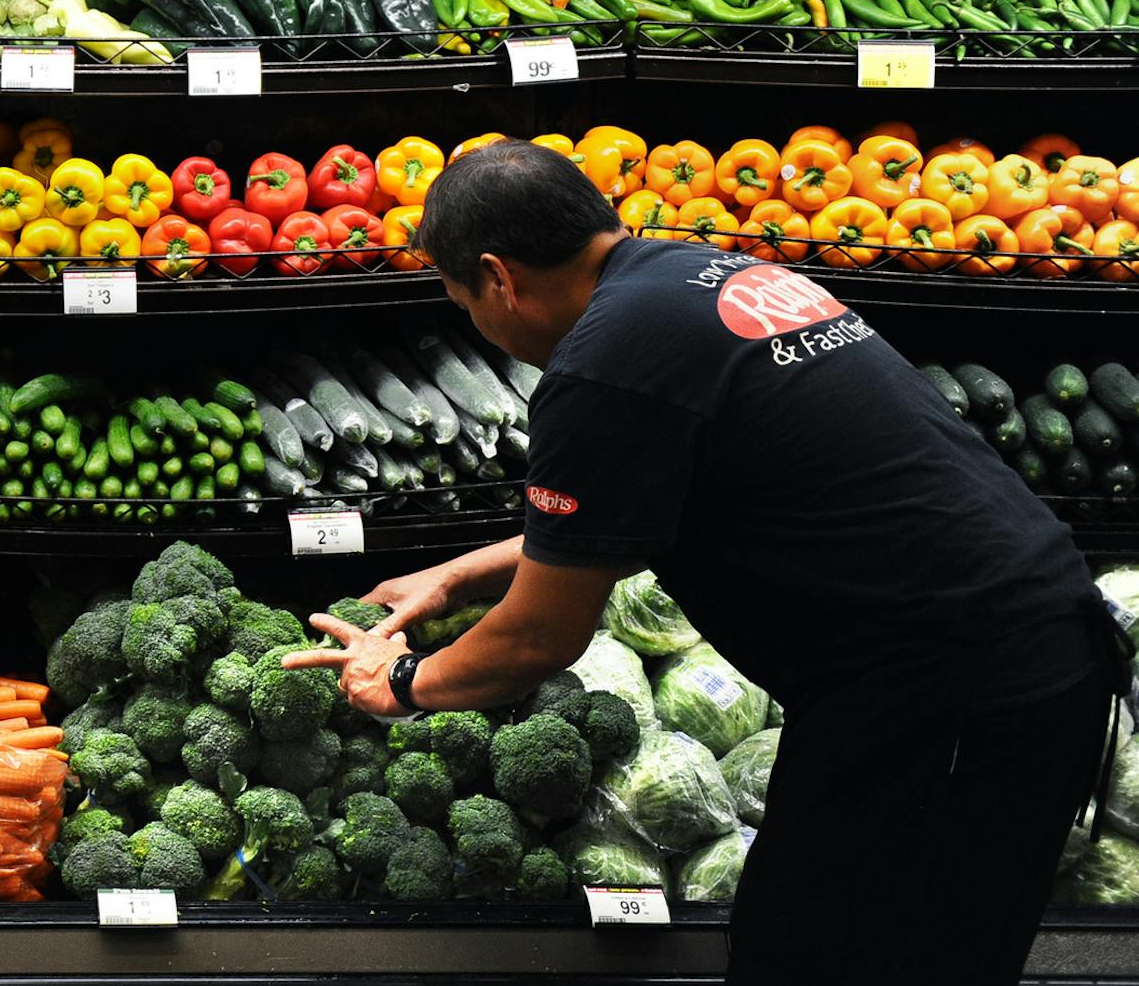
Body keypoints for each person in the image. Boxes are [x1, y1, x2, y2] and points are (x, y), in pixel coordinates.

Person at [279, 140, 1133, 985]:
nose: (479, 321)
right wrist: (461, 572)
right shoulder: (693, 276)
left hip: (961, 688)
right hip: (988, 650)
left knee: (858, 961)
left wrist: (396, 683)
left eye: (464, 300)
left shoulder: (602, 365)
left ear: (500, 278)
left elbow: (539, 639)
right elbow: (646, 498)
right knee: (815, 943)